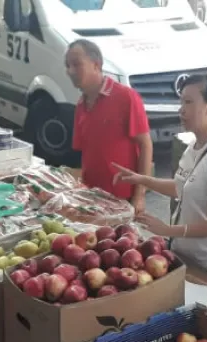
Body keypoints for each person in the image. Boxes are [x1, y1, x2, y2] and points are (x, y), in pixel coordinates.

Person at [113, 74, 207, 278]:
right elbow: (181, 187)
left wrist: (168, 230)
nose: (181, 109)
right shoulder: (194, 147)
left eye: (189, 102)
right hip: (186, 258)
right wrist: (141, 179)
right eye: (181, 101)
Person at [67, 39, 152, 213]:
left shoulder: (126, 97)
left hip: (123, 199)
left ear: (96, 65)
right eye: (67, 66)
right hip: (92, 198)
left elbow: (145, 144)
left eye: (76, 64)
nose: (70, 71)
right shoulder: (81, 105)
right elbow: (86, 155)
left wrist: (139, 195)